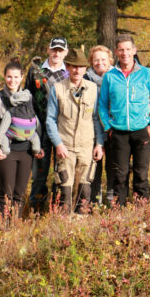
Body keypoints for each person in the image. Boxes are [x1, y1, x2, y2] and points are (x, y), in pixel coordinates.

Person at [0, 58, 44, 225]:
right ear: (4, 77)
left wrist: (37, 146)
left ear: (22, 77)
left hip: (26, 152)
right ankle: (3, 228)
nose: (12, 81)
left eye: (15, 77)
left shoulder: (28, 97)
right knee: (6, 194)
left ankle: (14, 226)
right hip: (4, 153)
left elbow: (35, 122)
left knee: (19, 194)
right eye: (8, 77)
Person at [98, 34, 150, 207]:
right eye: (121, 49)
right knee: (120, 174)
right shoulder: (110, 76)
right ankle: (120, 211)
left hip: (142, 131)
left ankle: (141, 209)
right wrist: (108, 126)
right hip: (118, 132)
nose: (125, 53)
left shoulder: (146, 73)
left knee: (141, 173)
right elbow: (102, 105)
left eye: (128, 49)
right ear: (116, 52)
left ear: (134, 50)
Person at [45, 48, 104, 213]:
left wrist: (99, 144)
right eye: (73, 66)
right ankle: (64, 226)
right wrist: (58, 144)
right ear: (68, 67)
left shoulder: (93, 89)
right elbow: (50, 119)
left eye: (80, 67)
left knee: (85, 190)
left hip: (86, 147)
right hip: (65, 148)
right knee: (65, 189)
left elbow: (96, 119)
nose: (77, 70)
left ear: (86, 68)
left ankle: (81, 226)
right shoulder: (57, 89)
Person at [26, 36, 69, 212]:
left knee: (61, 171)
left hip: (63, 129)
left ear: (65, 52)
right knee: (39, 173)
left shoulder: (70, 71)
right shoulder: (35, 70)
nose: (56, 53)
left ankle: (57, 208)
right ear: (48, 50)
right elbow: (28, 98)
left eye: (60, 50)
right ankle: (36, 209)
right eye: (54, 49)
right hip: (40, 129)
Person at [84, 45, 114, 206]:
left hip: (113, 128)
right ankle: (95, 203)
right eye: (96, 60)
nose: (99, 62)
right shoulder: (85, 78)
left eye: (103, 59)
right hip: (92, 129)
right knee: (94, 168)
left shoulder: (117, 76)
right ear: (91, 61)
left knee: (113, 167)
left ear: (110, 60)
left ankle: (112, 202)